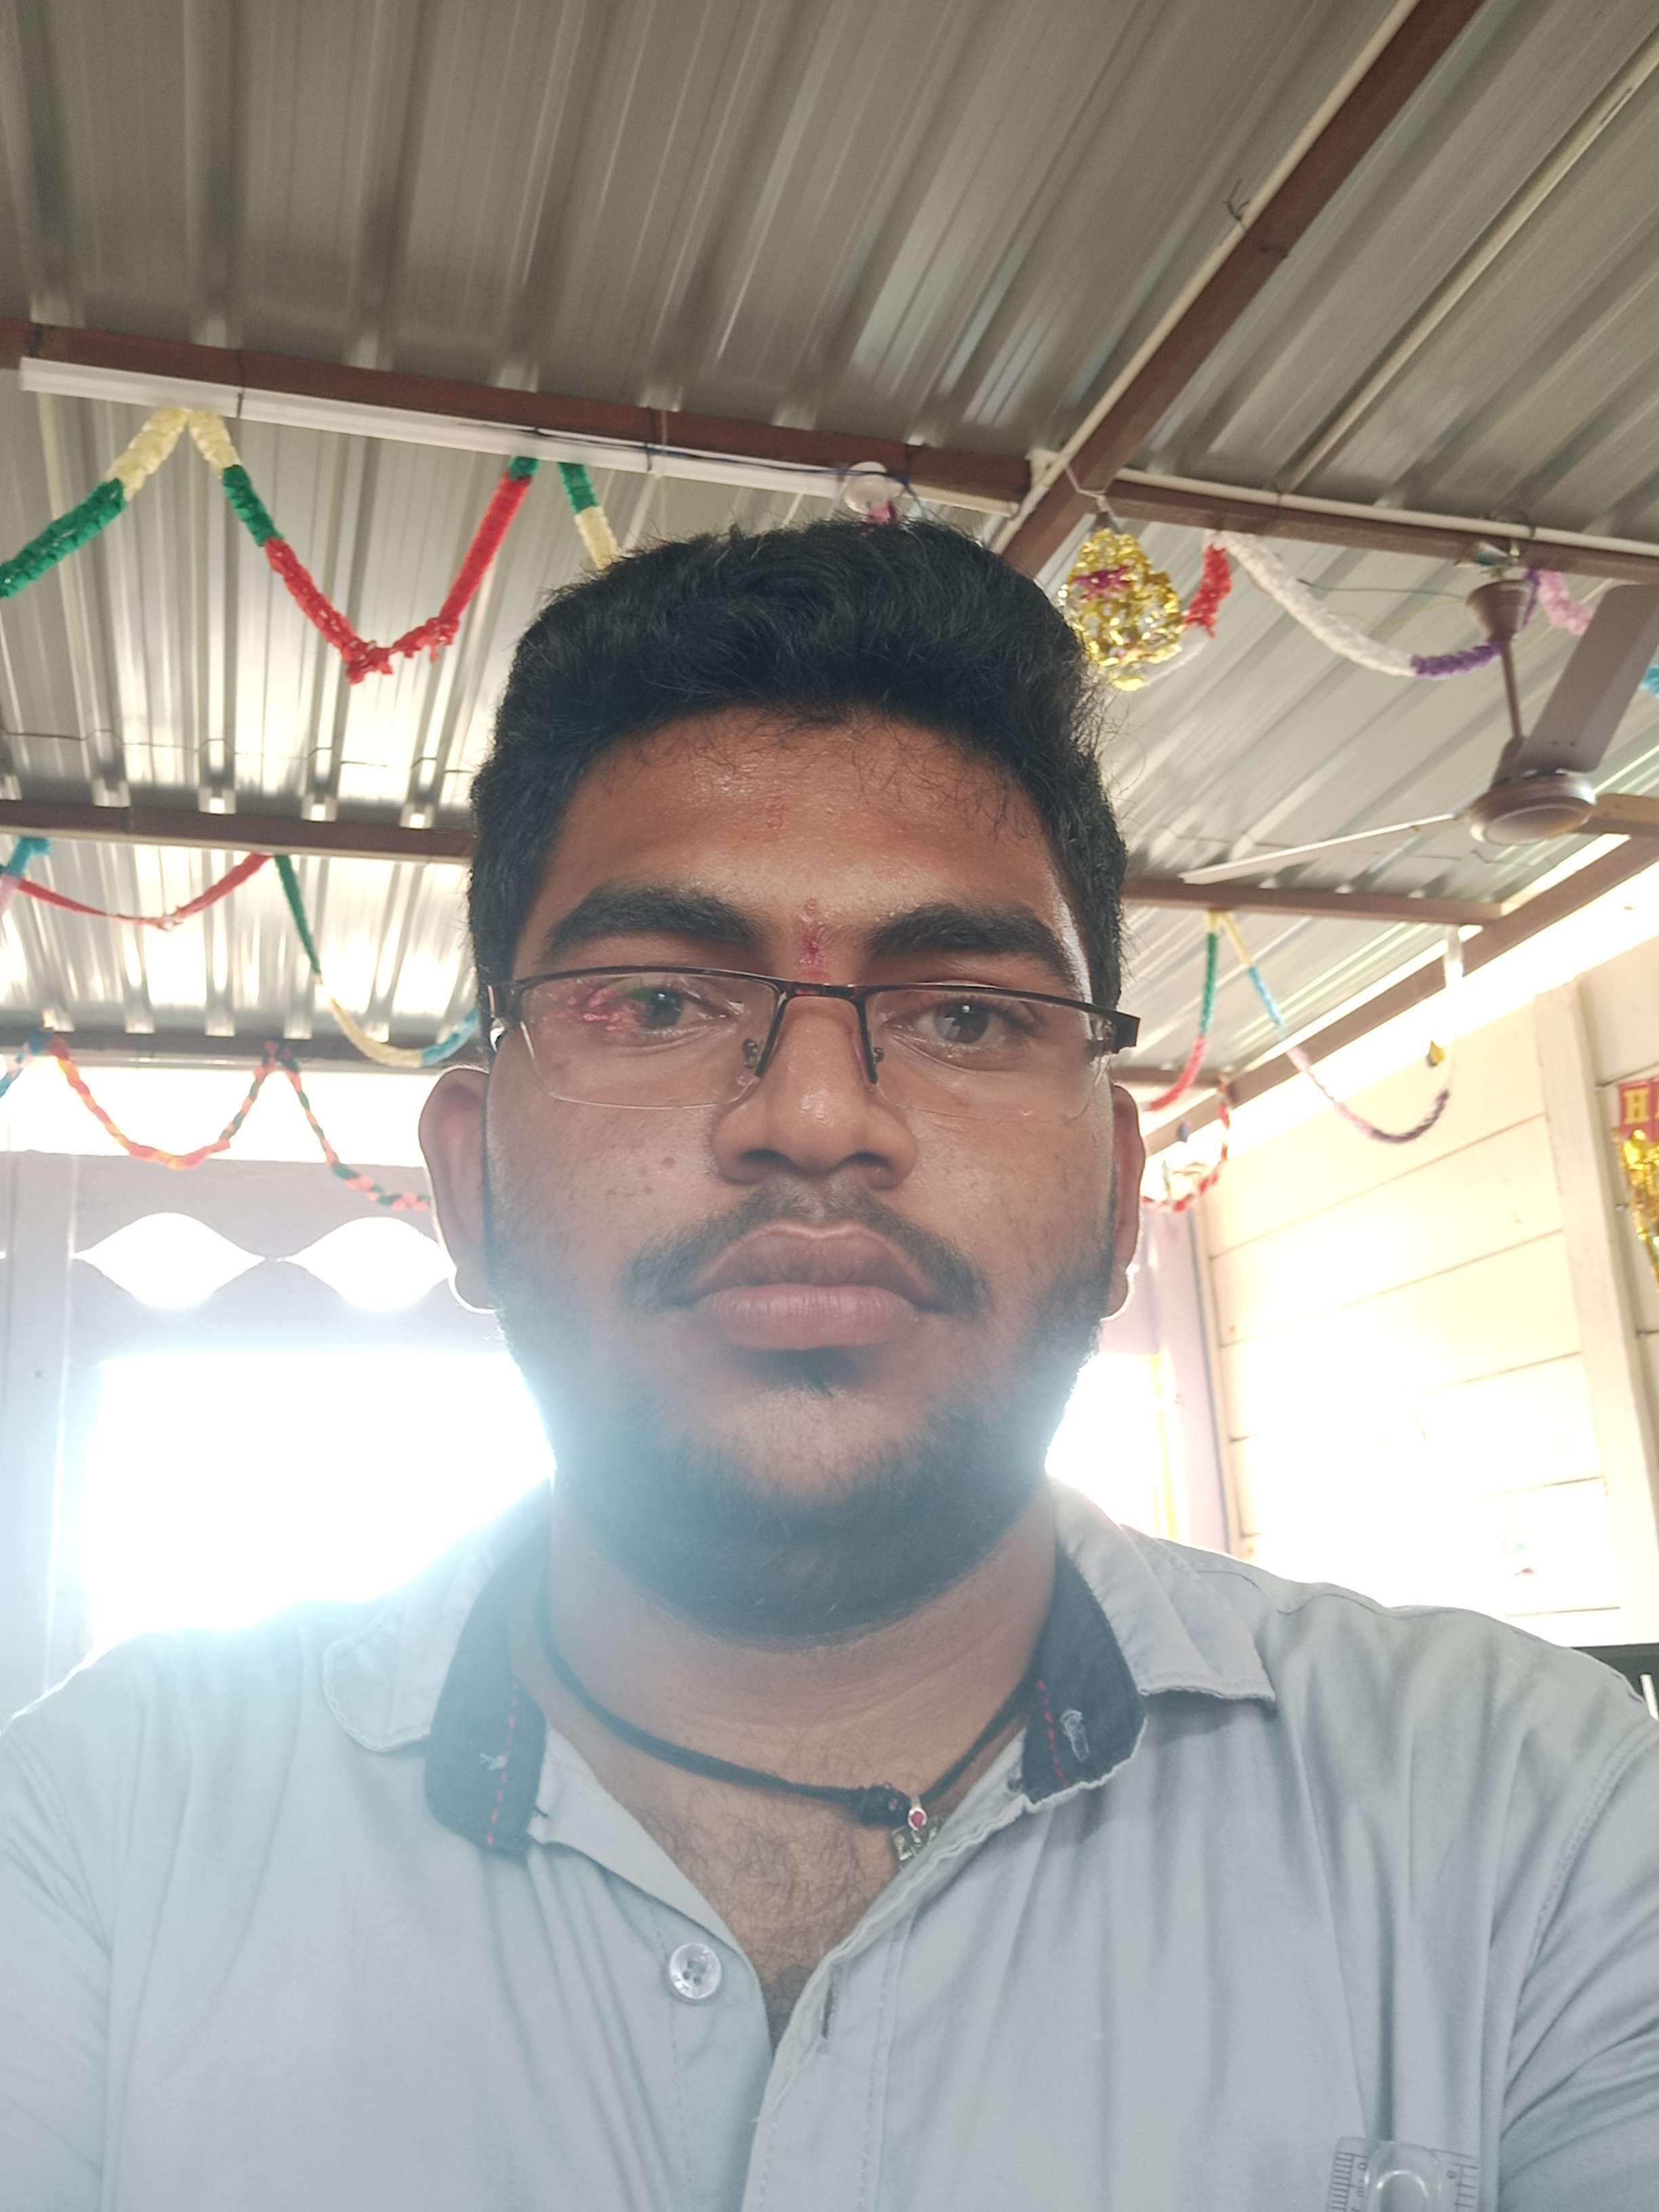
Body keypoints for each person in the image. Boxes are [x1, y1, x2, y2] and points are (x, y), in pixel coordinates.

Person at [1, 521, 1655, 2211]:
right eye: (655, 1002)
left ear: (1116, 1199)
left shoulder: (1536, 1816)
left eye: (966, 1015)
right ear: (472, 1183)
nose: (812, 1116)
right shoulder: (97, 1829)